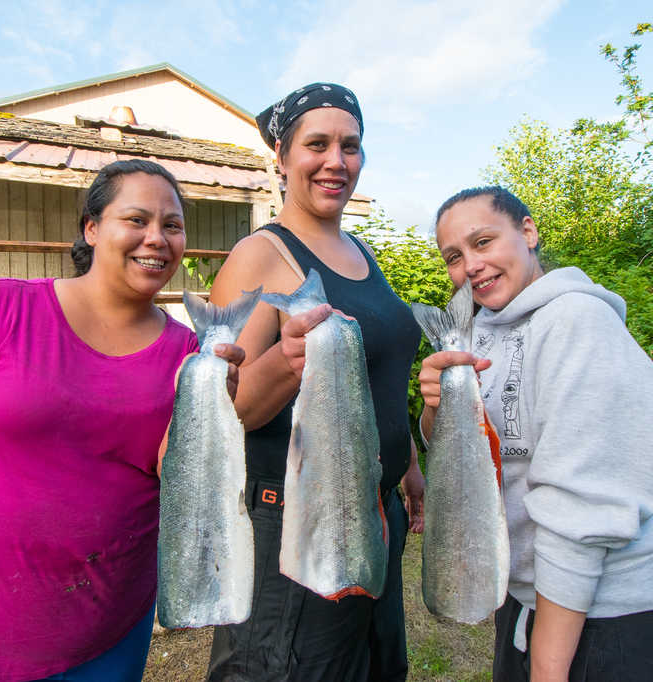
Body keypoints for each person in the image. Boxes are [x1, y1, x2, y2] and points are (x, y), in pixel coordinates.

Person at [0, 159, 250, 682]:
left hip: (106, 641)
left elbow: (175, 480)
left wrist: (211, 410)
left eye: (172, 225)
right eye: (137, 220)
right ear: (91, 227)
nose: (157, 238)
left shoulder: (189, 353)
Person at [420, 186, 653, 681]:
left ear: (528, 232)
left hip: (619, 618)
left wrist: (548, 667)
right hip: (533, 604)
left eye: (484, 241)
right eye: (454, 256)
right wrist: (436, 408)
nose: (470, 265)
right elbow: (469, 451)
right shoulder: (478, 329)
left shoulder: (579, 324)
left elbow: (584, 510)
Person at [205, 83, 425, 682]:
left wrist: (406, 468)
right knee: (288, 670)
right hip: (293, 516)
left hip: (370, 509)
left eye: (350, 146)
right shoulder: (260, 254)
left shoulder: (359, 250)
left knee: (372, 669)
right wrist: (286, 358)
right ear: (281, 157)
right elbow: (230, 410)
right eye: (317, 144)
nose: (336, 161)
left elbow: (377, 373)